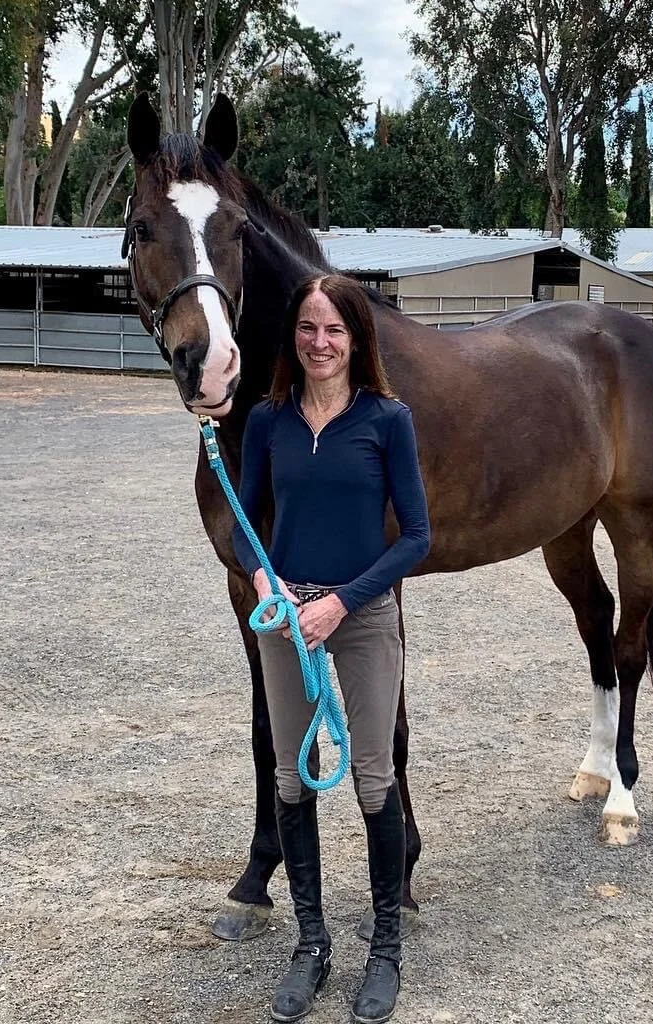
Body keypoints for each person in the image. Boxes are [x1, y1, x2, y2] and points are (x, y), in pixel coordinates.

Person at [235, 273, 431, 1024]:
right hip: (287, 620)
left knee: (374, 778)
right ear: (295, 336)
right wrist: (265, 581)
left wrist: (342, 602)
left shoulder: (388, 420)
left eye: (335, 330)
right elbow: (242, 523)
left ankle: (385, 948)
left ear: (357, 339)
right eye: (309, 328)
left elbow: (416, 536)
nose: (321, 343)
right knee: (291, 777)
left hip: (363, 616)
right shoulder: (268, 422)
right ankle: (311, 943)